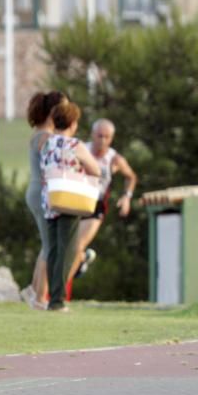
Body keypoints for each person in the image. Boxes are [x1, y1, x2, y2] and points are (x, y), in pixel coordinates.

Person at [39, 101, 101, 312]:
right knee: (68, 251)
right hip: (70, 200)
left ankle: (51, 298)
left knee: (54, 251)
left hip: (50, 200)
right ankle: (57, 300)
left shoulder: (46, 144)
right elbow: (96, 171)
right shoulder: (75, 145)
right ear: (73, 123)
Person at [67, 118, 138, 288]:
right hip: (75, 202)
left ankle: (61, 291)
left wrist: (127, 197)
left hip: (95, 206)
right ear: (92, 134)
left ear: (111, 138)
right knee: (68, 247)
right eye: (99, 136)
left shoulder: (114, 159)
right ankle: (83, 259)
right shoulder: (81, 149)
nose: (102, 140)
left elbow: (131, 177)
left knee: (78, 246)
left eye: (107, 137)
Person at [21, 90, 68, 310]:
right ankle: (39, 298)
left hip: (38, 192)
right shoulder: (45, 137)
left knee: (46, 245)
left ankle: (34, 290)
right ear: (53, 111)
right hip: (41, 193)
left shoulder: (41, 134)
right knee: (50, 246)